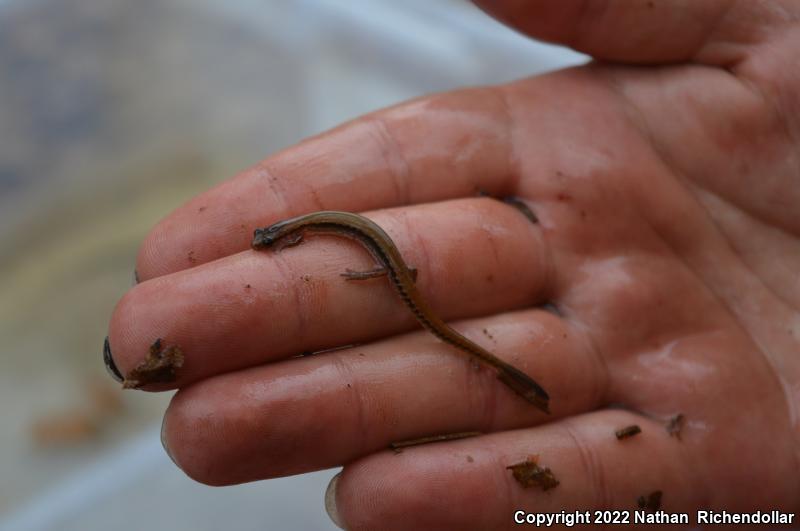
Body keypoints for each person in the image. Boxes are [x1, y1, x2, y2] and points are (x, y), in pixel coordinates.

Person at [104, 1, 800, 528]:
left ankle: (503, 369)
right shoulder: (304, 231)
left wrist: (370, 275)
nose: (271, 243)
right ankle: (502, 369)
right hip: (385, 262)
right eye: (273, 240)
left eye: (271, 238)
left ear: (281, 234)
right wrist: (365, 272)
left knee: (436, 331)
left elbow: (364, 258)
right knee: (432, 335)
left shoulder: (305, 232)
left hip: (390, 267)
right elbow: (353, 252)